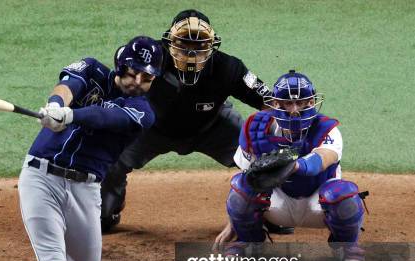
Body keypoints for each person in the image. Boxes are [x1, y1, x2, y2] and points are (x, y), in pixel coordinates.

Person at [18, 36, 163, 261]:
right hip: (41, 180)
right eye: (132, 73)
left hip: (86, 190)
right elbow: (69, 85)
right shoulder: (93, 70)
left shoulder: (144, 111)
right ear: (119, 64)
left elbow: (104, 118)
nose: (137, 83)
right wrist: (56, 103)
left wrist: (69, 115)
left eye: (147, 78)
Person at [100, 9, 294, 235]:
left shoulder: (228, 68)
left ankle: (269, 210)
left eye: (200, 45)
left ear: (212, 46)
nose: (190, 52)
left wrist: (285, 129)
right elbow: (119, 82)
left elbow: (269, 101)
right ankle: (107, 210)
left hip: (212, 127)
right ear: (168, 43)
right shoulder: (150, 58)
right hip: (150, 129)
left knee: (263, 153)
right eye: (183, 44)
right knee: (110, 155)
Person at [215, 70, 366, 261]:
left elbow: (323, 158)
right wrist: (233, 225)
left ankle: (346, 246)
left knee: (343, 194)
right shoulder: (255, 128)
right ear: (276, 104)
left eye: (301, 102)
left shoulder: (327, 129)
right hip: (278, 203)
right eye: (288, 103)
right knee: (240, 185)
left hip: (318, 204)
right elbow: (247, 177)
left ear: (311, 102)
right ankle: (249, 242)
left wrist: (294, 165)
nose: (295, 110)